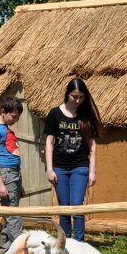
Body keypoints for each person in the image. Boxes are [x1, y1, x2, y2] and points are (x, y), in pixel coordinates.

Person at [44, 77, 102, 242]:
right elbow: (49, 142)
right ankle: (65, 243)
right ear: (67, 94)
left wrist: (92, 171)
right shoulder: (55, 114)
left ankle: (80, 244)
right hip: (59, 168)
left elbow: (92, 146)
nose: (78, 100)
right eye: (74, 96)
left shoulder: (85, 117)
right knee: (64, 208)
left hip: (80, 167)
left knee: (76, 206)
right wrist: (50, 168)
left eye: (81, 97)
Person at [0, 97, 25, 254]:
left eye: (18, 117)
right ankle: (23, 250)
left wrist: (20, 183)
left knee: (10, 213)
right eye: (13, 116)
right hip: (5, 174)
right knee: (12, 215)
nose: (15, 120)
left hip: (14, 174)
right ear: (3, 111)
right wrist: (0, 183)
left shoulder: (8, 129)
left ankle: (5, 252)